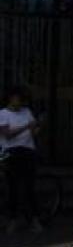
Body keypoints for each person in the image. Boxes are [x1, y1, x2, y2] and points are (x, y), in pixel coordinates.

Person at [0, 86, 42, 233]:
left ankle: (34, 220)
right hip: (11, 152)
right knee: (12, 187)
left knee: (29, 187)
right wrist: (26, 126)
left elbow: (34, 130)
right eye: (18, 98)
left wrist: (36, 128)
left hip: (28, 151)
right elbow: (7, 134)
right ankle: (13, 220)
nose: (20, 102)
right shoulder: (3, 114)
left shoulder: (27, 111)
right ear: (11, 98)